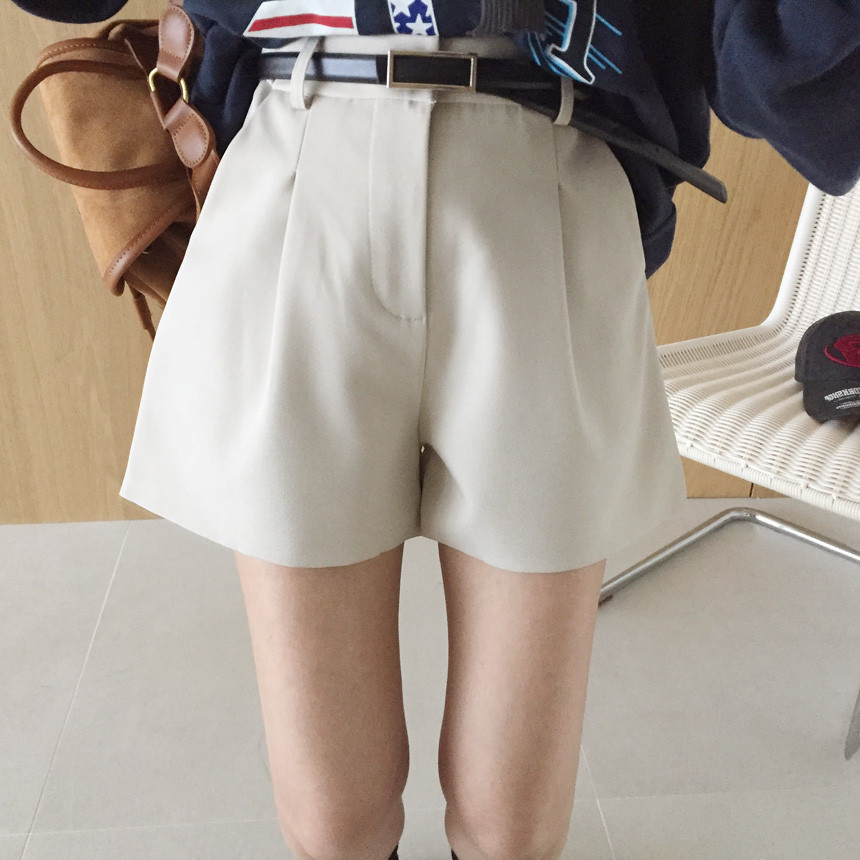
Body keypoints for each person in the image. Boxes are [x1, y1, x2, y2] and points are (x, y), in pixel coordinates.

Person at [12, 2, 860, 859]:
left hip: (545, 156)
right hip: (301, 147)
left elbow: (769, 58)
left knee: (511, 825)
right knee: (334, 818)